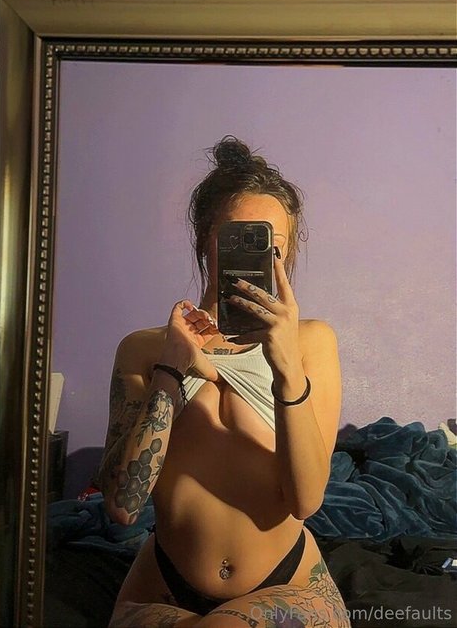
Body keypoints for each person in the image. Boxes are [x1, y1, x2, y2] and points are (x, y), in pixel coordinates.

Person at [101, 136, 350, 628]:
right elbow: (122, 507)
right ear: (204, 242)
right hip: (163, 584)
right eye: (237, 239)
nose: (255, 260)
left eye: (271, 246)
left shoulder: (311, 342)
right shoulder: (144, 349)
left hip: (287, 584)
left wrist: (287, 368)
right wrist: (171, 371)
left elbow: (306, 500)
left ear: (287, 255)